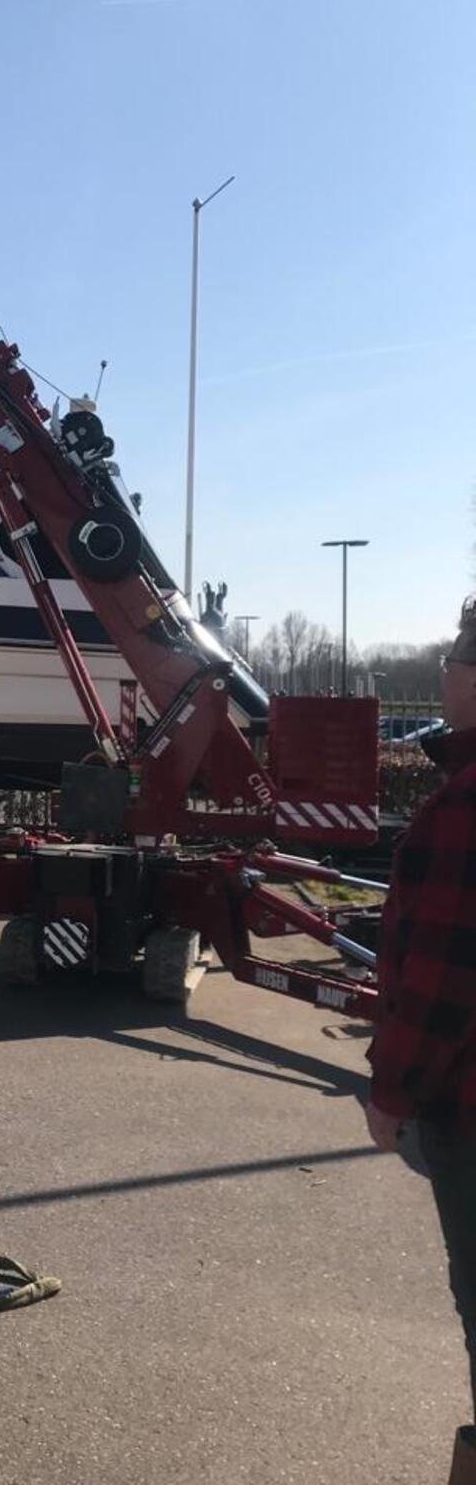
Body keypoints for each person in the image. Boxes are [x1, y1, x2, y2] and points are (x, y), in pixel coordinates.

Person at [366, 595, 476, 1482]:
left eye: (456, 658)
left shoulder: (461, 812)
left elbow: (441, 984)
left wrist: (390, 1092)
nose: (444, 672)